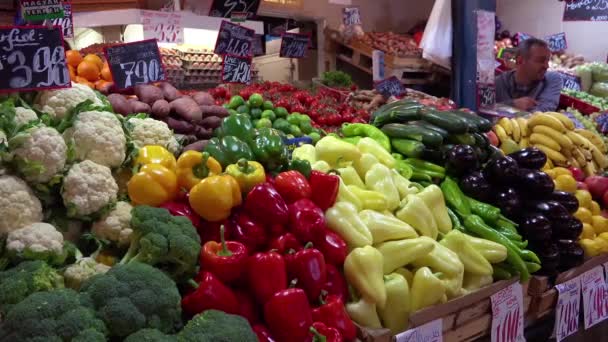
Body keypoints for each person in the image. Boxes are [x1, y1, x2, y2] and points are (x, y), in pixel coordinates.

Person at [495, 38, 562, 112]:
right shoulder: (499, 83)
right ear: (520, 61)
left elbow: (544, 111)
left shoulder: (552, 79)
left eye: (547, 61)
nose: (546, 66)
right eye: (541, 60)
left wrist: (506, 107)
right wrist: (513, 104)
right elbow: (485, 109)